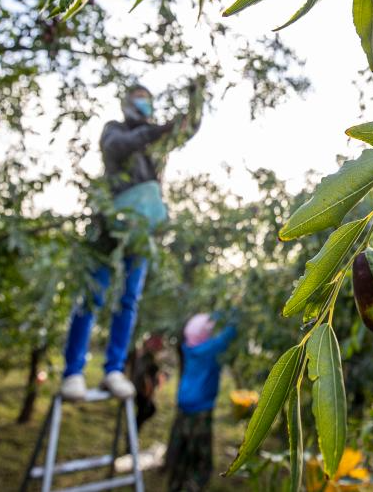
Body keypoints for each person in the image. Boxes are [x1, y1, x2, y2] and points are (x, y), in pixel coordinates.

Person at [60, 82, 203, 401]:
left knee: (129, 300)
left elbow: (187, 128)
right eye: (140, 101)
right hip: (108, 224)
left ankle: (113, 369)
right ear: (127, 104)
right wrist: (157, 129)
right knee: (92, 294)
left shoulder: (158, 142)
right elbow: (119, 147)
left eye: (148, 101)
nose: (145, 107)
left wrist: (197, 97)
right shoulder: (114, 130)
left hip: (140, 231)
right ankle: (73, 372)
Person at [165, 313, 237, 492]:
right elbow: (231, 332)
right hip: (200, 409)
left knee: (181, 451)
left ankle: (175, 485)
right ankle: (193, 486)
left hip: (183, 405)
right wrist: (233, 310)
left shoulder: (188, 348)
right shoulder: (210, 350)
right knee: (201, 457)